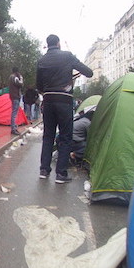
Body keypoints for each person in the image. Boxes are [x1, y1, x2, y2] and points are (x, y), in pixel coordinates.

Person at [36, 34, 93, 184]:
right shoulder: (68, 56)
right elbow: (89, 72)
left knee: (48, 136)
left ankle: (44, 169)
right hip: (64, 100)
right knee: (65, 137)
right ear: (59, 43)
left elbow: (39, 86)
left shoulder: (41, 60)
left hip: (48, 100)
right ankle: (61, 174)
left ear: (47, 44)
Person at [9, 67, 24, 135]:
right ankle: (13, 129)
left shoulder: (11, 77)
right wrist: (21, 78)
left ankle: (14, 127)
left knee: (14, 112)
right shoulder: (15, 77)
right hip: (16, 96)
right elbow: (20, 84)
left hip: (13, 96)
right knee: (14, 113)